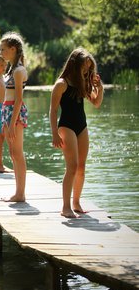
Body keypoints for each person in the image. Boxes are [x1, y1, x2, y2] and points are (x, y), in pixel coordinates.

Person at [49, 48, 104, 218]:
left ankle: (76, 202)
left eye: (89, 68)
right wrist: (54, 133)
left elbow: (96, 103)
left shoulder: (83, 83)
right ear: (75, 64)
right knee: (72, 167)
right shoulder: (62, 84)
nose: (87, 71)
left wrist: (99, 88)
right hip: (66, 126)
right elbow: (53, 110)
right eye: (84, 68)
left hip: (82, 126)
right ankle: (65, 207)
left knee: (81, 167)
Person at [0, 32, 29, 202]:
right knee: (12, 153)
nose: (1, 53)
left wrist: (11, 123)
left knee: (17, 152)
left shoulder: (19, 71)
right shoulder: (12, 69)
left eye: (4, 49)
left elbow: (19, 99)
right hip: (6, 110)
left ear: (13, 49)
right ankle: (18, 192)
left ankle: (20, 194)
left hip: (14, 113)